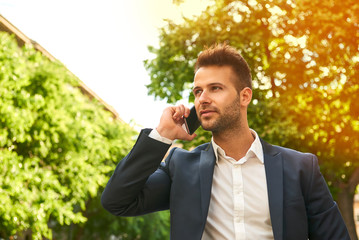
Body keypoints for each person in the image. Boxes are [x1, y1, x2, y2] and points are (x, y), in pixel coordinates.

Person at [101, 43, 350, 240]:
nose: (202, 99)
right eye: (198, 91)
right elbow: (117, 201)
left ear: (244, 96)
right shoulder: (182, 166)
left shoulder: (300, 167)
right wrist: (162, 134)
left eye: (215, 88)